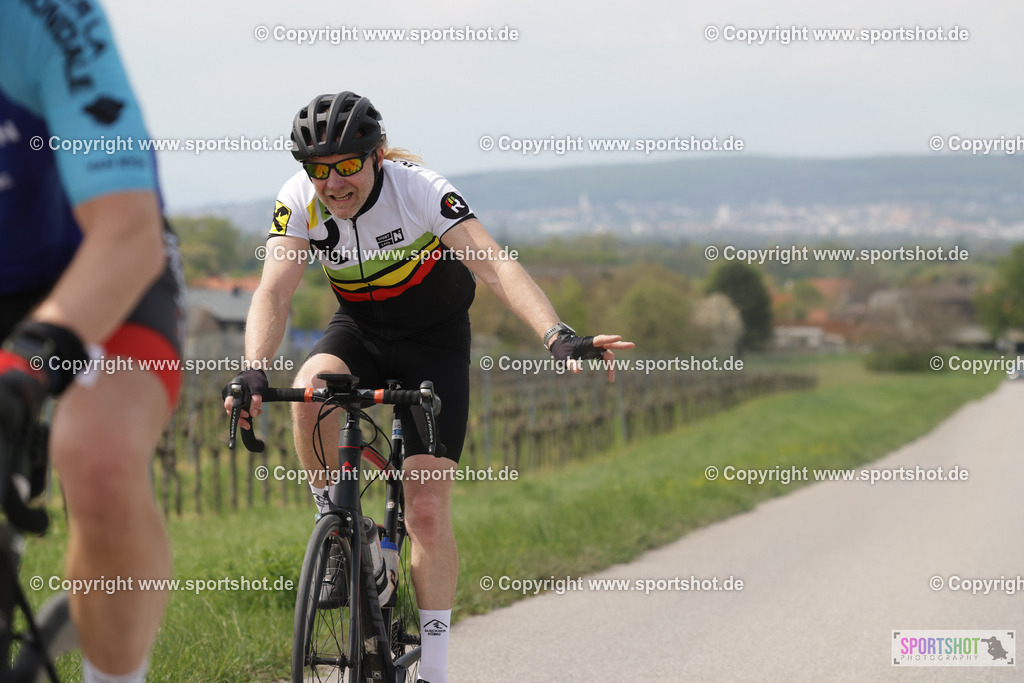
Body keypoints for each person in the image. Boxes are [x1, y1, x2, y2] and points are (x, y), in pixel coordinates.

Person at [225, 91, 632, 683]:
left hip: (433, 343)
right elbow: (274, 290)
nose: (333, 183)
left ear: (377, 156)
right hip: (360, 331)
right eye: (319, 169)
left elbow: (493, 264)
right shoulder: (298, 200)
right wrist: (253, 367)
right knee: (310, 390)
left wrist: (556, 334)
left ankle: (435, 670)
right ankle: (338, 529)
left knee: (427, 510)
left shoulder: (419, 190)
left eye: (347, 166)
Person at [0, 1, 185, 681]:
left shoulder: (40, 16)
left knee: (98, 456)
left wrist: (27, 362)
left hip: (102, 260)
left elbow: (128, 232)